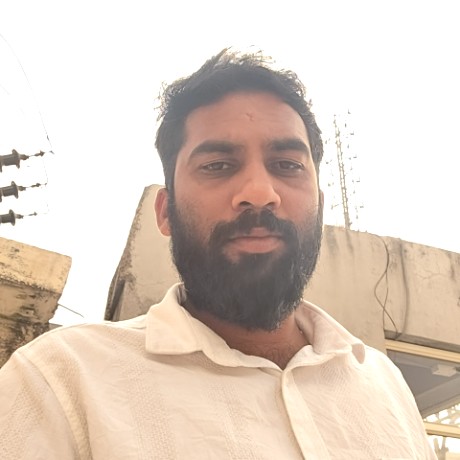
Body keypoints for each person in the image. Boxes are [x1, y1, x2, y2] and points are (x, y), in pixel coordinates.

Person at [0, 49, 435, 459]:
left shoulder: (385, 386)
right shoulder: (59, 381)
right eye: (218, 166)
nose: (260, 193)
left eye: (287, 165)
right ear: (166, 212)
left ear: (320, 206)